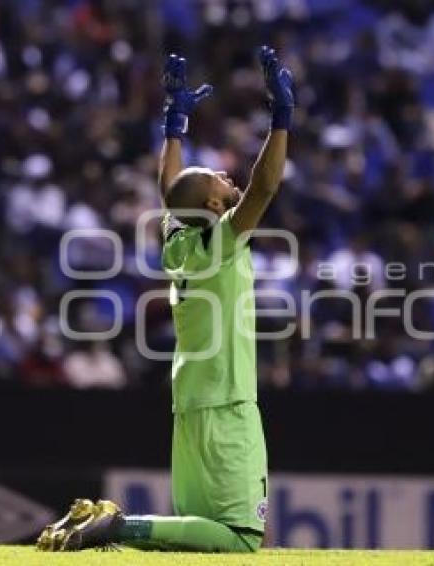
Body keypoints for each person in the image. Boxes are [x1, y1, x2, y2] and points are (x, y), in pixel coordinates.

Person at [35, 45, 294, 553]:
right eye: (219, 180)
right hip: (227, 399)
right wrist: (282, 117)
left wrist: (173, 126)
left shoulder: (178, 240)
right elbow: (264, 187)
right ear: (216, 206)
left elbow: (169, 189)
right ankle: (115, 526)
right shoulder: (219, 241)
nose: (229, 177)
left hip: (191, 399)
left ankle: (107, 528)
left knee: (198, 533)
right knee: (241, 539)